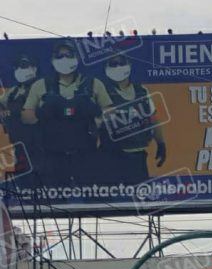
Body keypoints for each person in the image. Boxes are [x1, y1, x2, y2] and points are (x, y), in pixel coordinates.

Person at [21, 40, 112, 188]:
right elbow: (26, 117)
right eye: (60, 55)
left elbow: (110, 111)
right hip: (53, 157)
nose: (64, 59)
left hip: (86, 155)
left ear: (77, 58)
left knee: (92, 201)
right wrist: (41, 113)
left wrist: (97, 121)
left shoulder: (93, 84)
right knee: (54, 203)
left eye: (68, 55)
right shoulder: (40, 85)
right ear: (52, 60)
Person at [98, 53, 166, 185]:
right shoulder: (101, 90)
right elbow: (93, 122)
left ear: (129, 65)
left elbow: (153, 118)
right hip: (110, 156)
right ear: (106, 68)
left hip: (137, 157)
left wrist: (161, 143)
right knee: (110, 202)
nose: (118, 67)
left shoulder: (141, 90)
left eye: (121, 63)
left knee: (139, 199)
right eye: (113, 64)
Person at [1, 54, 42, 179]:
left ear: (34, 68)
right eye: (16, 67)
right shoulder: (13, 91)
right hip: (18, 148)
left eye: (23, 66)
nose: (19, 70)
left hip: (39, 149)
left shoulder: (41, 87)